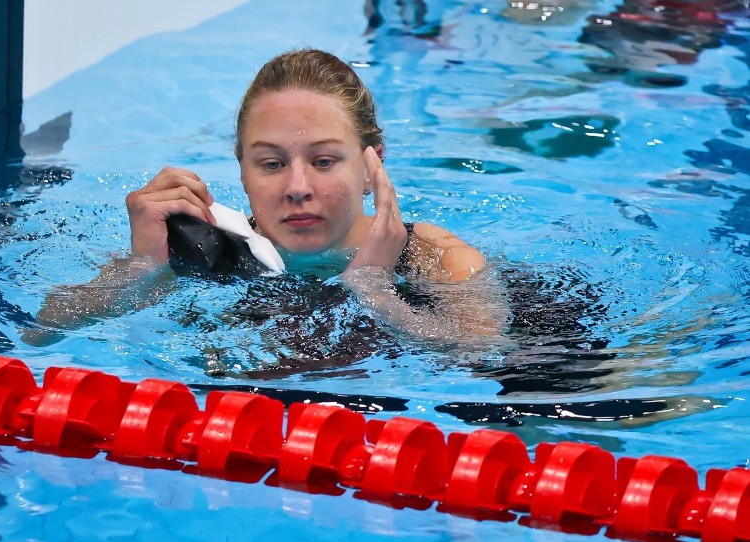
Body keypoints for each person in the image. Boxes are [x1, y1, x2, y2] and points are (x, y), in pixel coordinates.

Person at [26, 48, 505, 346]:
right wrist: (143, 265)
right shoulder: (215, 250)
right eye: (272, 164)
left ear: (370, 164)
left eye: (323, 161)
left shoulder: (434, 259)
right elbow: (41, 333)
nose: (297, 188)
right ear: (242, 168)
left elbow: (481, 352)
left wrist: (375, 286)